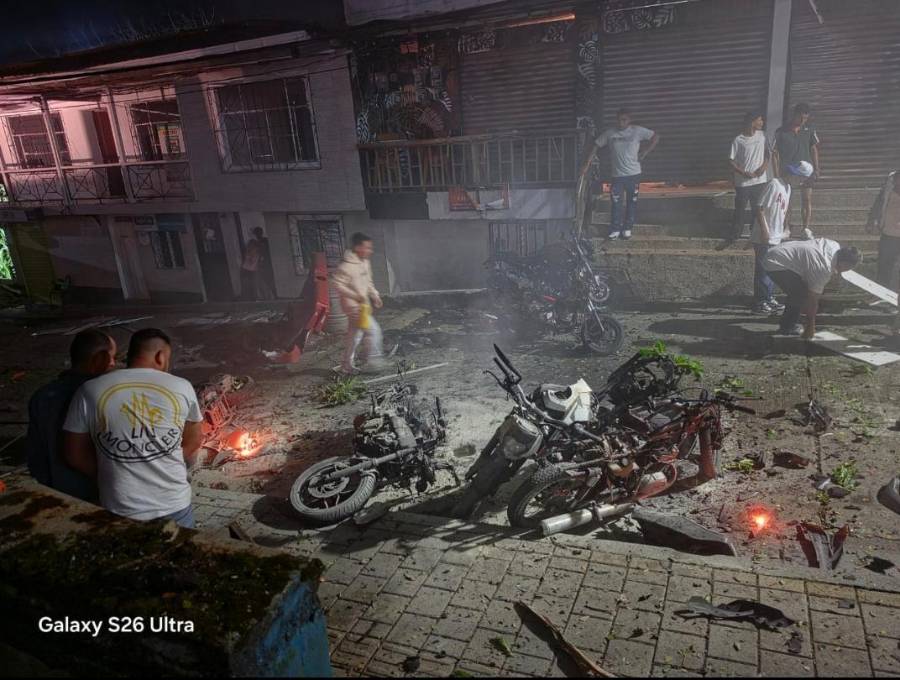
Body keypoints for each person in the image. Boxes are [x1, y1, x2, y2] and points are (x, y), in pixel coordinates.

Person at [62, 328, 203, 528]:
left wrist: (109, 472)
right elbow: (194, 440)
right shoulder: (182, 386)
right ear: (160, 356)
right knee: (184, 556)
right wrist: (163, 460)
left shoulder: (89, 390)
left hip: (118, 506)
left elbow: (74, 454)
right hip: (174, 503)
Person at [26, 329, 116, 501]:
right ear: (99, 359)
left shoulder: (43, 396)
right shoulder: (104, 396)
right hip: (100, 494)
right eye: (111, 357)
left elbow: (36, 456)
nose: (113, 364)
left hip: (58, 494)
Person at [749, 161, 817, 314]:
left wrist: (785, 228)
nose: (800, 181)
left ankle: (768, 297)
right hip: (764, 235)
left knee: (772, 268)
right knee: (763, 270)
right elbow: (759, 208)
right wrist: (765, 231)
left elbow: (784, 211)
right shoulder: (774, 184)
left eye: (802, 179)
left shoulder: (787, 188)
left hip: (776, 235)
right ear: (793, 174)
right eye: (799, 178)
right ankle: (760, 301)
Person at [763, 239, 861, 339]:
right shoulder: (824, 268)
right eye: (848, 268)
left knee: (800, 291)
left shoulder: (834, 245)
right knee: (800, 294)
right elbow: (812, 300)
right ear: (843, 264)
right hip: (775, 263)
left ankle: (788, 323)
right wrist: (810, 327)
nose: (847, 271)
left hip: (780, 251)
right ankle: (787, 327)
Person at [590, 107, 659, 240]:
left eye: (624, 120)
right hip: (617, 176)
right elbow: (596, 145)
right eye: (619, 120)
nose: (621, 123)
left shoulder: (637, 131)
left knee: (631, 202)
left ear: (629, 120)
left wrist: (645, 152)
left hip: (634, 174)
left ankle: (627, 228)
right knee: (616, 203)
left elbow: (656, 136)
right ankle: (615, 229)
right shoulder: (610, 133)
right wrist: (588, 163)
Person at [332, 232, 385, 375]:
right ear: (357, 247)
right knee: (374, 331)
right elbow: (337, 285)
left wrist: (375, 296)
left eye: (370, 248)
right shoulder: (346, 266)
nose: (370, 251)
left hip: (363, 305)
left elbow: (368, 282)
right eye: (367, 248)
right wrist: (355, 295)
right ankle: (373, 362)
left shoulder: (365, 263)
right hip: (353, 307)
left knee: (354, 336)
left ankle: (346, 365)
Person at [772, 103, 821, 233]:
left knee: (807, 199)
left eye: (806, 118)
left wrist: (817, 168)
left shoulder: (809, 129)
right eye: (801, 118)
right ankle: (786, 227)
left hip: (807, 171)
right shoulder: (781, 131)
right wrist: (776, 174)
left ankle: (805, 228)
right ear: (794, 115)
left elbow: (814, 149)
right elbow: (774, 153)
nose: (803, 121)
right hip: (788, 172)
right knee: (787, 201)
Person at [729, 112, 769, 240]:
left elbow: (768, 154)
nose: (762, 122)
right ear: (752, 122)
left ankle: (755, 233)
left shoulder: (763, 135)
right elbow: (731, 161)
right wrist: (743, 172)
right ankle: (735, 235)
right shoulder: (738, 140)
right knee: (740, 209)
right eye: (760, 119)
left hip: (760, 180)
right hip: (743, 183)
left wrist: (763, 168)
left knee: (757, 209)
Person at [251, 227, 276, 300]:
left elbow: (264, 252)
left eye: (258, 233)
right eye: (256, 233)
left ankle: (274, 295)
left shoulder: (264, 241)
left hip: (267, 264)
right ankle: (271, 295)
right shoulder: (258, 242)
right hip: (263, 264)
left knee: (269, 280)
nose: (257, 235)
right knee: (266, 280)